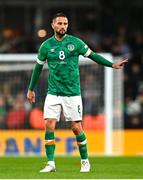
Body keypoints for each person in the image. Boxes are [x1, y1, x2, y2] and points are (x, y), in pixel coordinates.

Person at [27, 13, 128, 173]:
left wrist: (112, 65)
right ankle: (51, 163)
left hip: (72, 93)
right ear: (53, 25)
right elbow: (38, 67)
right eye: (59, 23)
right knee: (49, 124)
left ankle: (85, 161)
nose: (63, 26)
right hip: (53, 92)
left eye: (65, 23)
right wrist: (31, 89)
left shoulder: (76, 43)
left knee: (76, 127)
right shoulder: (46, 46)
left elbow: (93, 55)